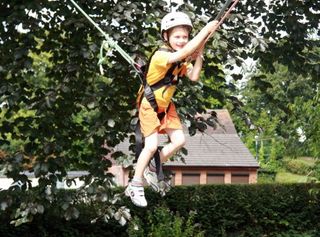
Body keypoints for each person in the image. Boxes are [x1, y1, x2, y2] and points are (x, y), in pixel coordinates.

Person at [125, 12, 219, 207]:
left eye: (185, 37)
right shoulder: (162, 55)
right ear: (166, 37)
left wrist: (199, 53)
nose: (182, 40)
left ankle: (154, 165)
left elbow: (193, 76)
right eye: (177, 37)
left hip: (166, 106)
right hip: (150, 105)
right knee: (150, 145)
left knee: (179, 140)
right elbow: (181, 54)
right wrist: (205, 31)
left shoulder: (180, 60)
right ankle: (135, 183)